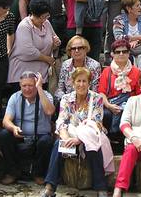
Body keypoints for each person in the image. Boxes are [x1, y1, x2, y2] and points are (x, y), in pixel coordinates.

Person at [41, 68, 109, 197]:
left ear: (89, 83)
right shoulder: (66, 98)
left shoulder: (96, 99)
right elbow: (61, 120)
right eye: (78, 81)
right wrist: (65, 137)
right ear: (73, 83)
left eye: (84, 81)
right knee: (58, 146)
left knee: (94, 147)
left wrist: (79, 139)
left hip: (90, 135)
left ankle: (101, 187)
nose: (81, 84)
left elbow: (97, 123)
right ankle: (50, 187)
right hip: (70, 134)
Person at [0, 71, 56, 185]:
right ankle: (13, 172)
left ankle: (38, 174)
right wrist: (13, 128)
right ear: (20, 86)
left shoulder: (46, 95)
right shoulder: (15, 97)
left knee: (47, 141)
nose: (27, 89)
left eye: (31, 85)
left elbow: (49, 111)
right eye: (24, 86)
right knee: (4, 135)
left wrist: (39, 89)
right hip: (20, 134)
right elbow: (6, 121)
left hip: (40, 135)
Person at [8, 0, 61, 88]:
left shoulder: (47, 24)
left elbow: (52, 41)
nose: (44, 19)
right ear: (34, 15)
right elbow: (28, 51)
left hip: (41, 74)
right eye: (41, 17)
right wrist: (47, 59)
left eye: (46, 16)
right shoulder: (24, 26)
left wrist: (55, 44)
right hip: (23, 74)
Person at [99, 39, 141, 134]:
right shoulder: (107, 71)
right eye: (118, 52)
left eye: (125, 51)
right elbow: (101, 92)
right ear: (112, 54)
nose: (121, 54)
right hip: (111, 103)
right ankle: (111, 137)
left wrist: (129, 107)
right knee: (106, 114)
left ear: (129, 53)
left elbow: (139, 94)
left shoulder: (136, 72)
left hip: (130, 105)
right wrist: (109, 106)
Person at [55, 36, 102, 101]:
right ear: (70, 51)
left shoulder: (94, 65)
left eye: (80, 48)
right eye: (73, 48)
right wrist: (67, 100)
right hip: (68, 101)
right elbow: (60, 88)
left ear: (85, 49)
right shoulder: (65, 65)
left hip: (88, 101)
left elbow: (95, 91)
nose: (76, 51)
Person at [112, 0, 141, 68]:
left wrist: (137, 40)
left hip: (140, 50)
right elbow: (118, 38)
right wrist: (138, 37)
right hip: (124, 50)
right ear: (129, 8)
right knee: (128, 58)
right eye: (137, 6)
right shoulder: (119, 20)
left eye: (140, 5)